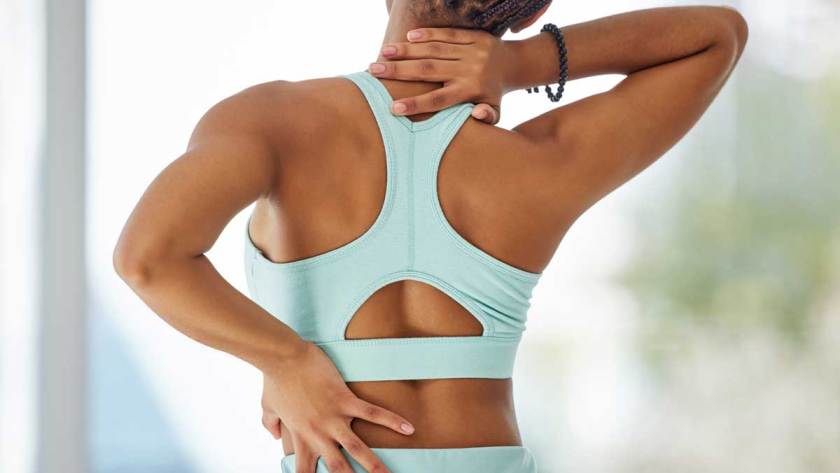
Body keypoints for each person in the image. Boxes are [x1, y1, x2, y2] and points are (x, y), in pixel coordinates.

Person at [113, 1, 748, 472]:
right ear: (533, 11)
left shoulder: (275, 123)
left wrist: (286, 359)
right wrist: (522, 64)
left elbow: (148, 259)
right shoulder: (543, 162)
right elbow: (718, 36)